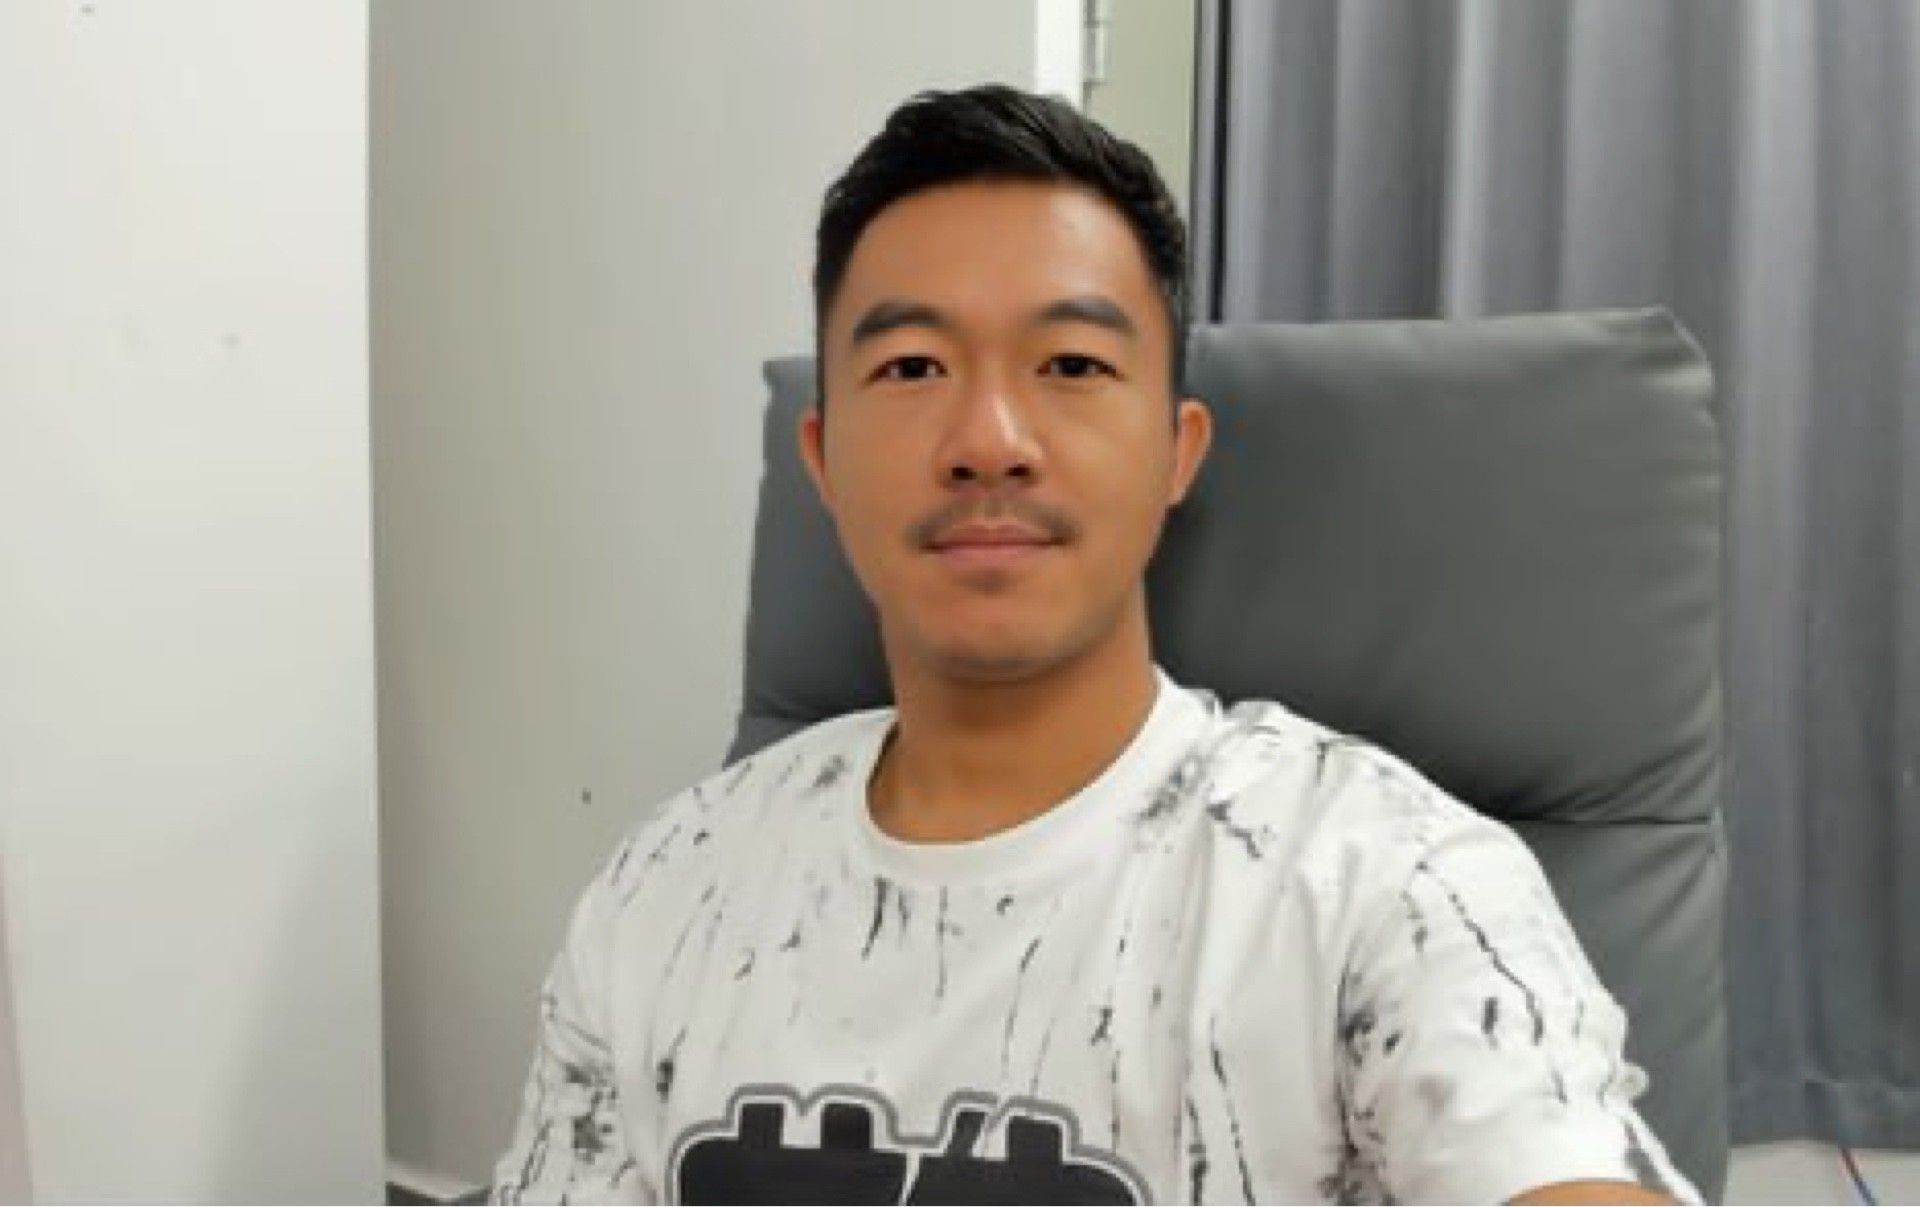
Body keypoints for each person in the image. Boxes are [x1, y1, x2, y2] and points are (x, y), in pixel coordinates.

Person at [492, 85, 1696, 1206]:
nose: (989, 440)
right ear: (822, 460)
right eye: (912, 366)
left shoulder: (1380, 880)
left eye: (1071, 364)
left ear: (1178, 451)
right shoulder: (670, 886)